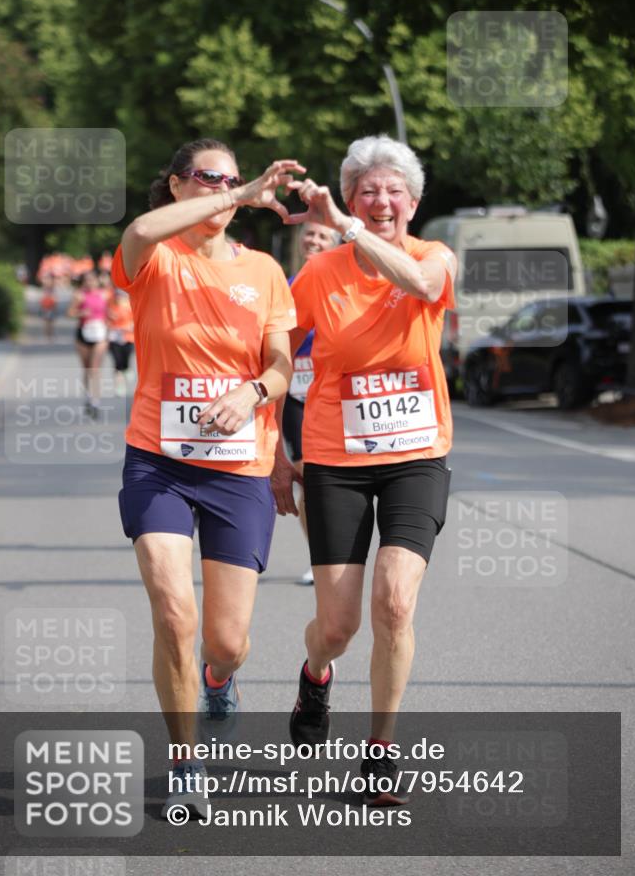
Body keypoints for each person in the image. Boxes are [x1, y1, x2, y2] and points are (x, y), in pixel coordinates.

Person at [111, 138, 303, 819]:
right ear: (174, 185)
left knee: (226, 641)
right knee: (172, 610)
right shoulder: (154, 256)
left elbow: (281, 365)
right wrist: (241, 193)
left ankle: (219, 678)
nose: (220, 188)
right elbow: (136, 229)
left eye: (228, 179)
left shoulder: (264, 271)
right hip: (157, 461)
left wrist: (251, 394)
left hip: (237, 470)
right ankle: (185, 761)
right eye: (205, 178)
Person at [273, 135, 457, 807]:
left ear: (411, 202)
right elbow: (272, 361)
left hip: (415, 457)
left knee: (395, 600)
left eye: (392, 191)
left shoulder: (433, 257)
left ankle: (380, 752)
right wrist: (272, 452)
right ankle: (315, 674)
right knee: (339, 626)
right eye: (366, 191)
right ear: (350, 197)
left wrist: (345, 228)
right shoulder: (318, 277)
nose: (381, 202)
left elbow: (419, 285)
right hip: (335, 463)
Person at [281, 223, 339, 585]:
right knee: (306, 473)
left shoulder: (340, 283)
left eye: (322, 236)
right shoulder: (287, 285)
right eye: (309, 235)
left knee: (332, 476)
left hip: (332, 391)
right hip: (293, 392)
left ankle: (339, 555)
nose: (314, 241)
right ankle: (317, 557)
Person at [67, 270, 109, 418]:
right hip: (83, 334)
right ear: (83, 282)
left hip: (100, 334)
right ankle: (88, 395)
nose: (90, 283)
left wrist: (111, 317)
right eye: (87, 280)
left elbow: (110, 311)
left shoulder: (104, 294)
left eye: (93, 280)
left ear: (97, 281)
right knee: (86, 368)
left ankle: (95, 400)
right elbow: (70, 313)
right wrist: (81, 313)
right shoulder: (79, 295)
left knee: (95, 368)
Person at [107, 288, 135, 395]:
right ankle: (119, 385)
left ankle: (127, 368)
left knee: (126, 360)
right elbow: (105, 319)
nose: (119, 298)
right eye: (117, 295)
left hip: (128, 337)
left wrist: (129, 326)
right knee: (117, 363)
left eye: (121, 295)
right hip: (114, 337)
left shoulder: (129, 306)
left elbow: (135, 320)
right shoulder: (110, 305)